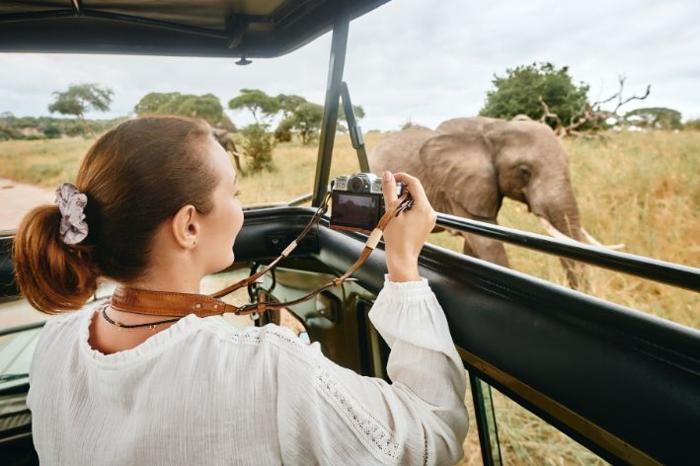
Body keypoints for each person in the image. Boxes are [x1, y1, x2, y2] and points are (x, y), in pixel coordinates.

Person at [13, 116, 469, 465]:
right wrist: (404, 265)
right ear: (189, 225)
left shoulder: (55, 342)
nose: (241, 208)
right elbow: (432, 437)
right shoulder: (264, 368)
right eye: (234, 192)